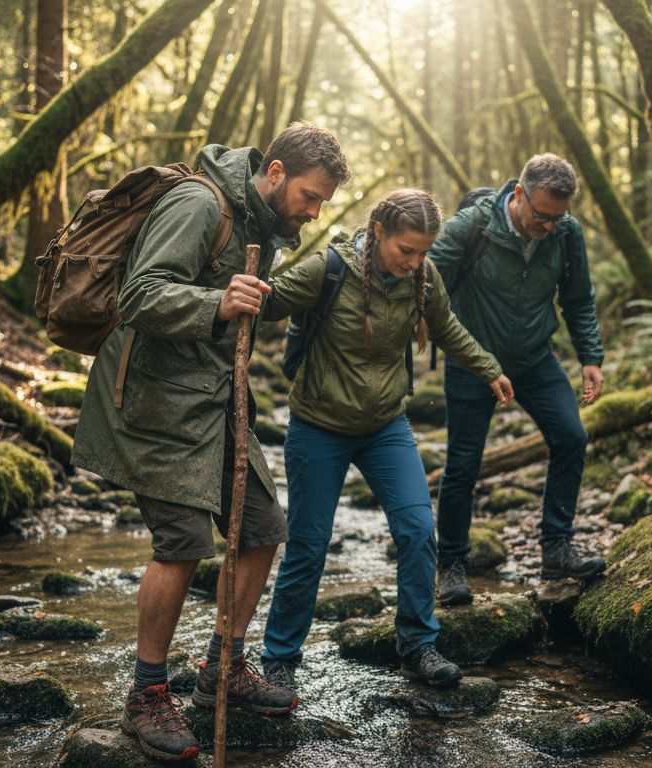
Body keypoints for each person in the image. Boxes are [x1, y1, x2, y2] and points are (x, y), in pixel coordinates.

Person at [71, 123, 350, 763]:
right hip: (152, 398)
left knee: (262, 525)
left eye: (323, 202)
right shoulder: (200, 203)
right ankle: (146, 696)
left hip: (216, 398)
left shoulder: (264, 223)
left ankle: (222, 666)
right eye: (310, 196)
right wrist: (217, 303)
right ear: (275, 172)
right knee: (183, 542)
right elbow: (140, 294)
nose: (314, 211)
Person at [256, 189, 514, 694]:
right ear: (378, 232)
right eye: (406, 250)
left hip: (386, 427)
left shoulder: (423, 277)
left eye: (423, 252)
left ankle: (418, 646)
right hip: (319, 427)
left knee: (418, 530)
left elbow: (446, 327)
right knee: (308, 546)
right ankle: (280, 658)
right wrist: (235, 287)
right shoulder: (328, 269)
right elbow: (266, 302)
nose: (415, 262)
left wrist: (489, 369)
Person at [430, 153, 607, 607]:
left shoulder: (566, 233)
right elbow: (425, 282)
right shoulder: (470, 227)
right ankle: (451, 566)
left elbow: (578, 298)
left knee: (571, 437)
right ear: (520, 194)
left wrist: (590, 357)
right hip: (472, 361)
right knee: (463, 465)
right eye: (541, 215)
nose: (548, 226)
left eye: (557, 217)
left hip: (533, 359)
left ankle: (557, 549)